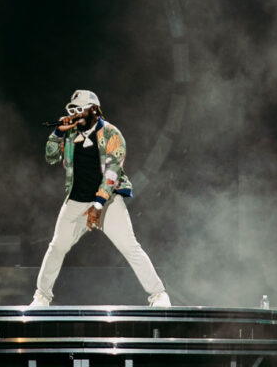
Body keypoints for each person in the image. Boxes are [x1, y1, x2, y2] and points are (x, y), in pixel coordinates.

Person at [30, 89, 171, 307]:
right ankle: (42, 296)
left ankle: (158, 294)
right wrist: (57, 133)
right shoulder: (70, 134)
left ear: (94, 110)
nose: (76, 115)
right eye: (73, 110)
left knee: (129, 247)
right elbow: (51, 157)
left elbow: (112, 173)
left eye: (80, 110)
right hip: (77, 200)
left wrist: (98, 205)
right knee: (57, 246)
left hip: (107, 200)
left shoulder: (111, 134)